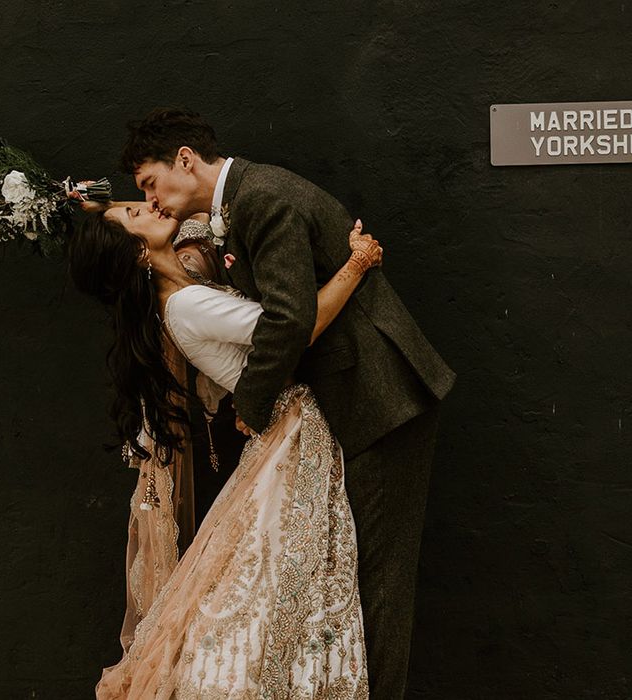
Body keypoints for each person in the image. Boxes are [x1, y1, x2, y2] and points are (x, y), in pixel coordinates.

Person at [121, 108, 457, 699]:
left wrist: (250, 405)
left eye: (149, 183)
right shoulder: (233, 208)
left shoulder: (262, 197)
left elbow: (288, 316)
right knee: (353, 577)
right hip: (351, 399)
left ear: (184, 159)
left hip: (379, 397)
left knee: (378, 579)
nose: (152, 199)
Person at [67, 203, 383, 698]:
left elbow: (182, 216)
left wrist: (93, 206)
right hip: (290, 435)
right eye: (135, 209)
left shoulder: (185, 285)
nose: (149, 202)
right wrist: (356, 264)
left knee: (277, 587)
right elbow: (294, 330)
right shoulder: (186, 305)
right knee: (283, 589)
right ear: (136, 250)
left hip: (283, 431)